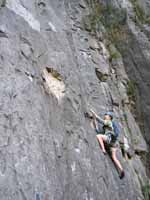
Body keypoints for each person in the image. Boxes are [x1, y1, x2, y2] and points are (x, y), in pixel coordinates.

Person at [90, 109, 125, 179]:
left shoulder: (109, 122)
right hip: (114, 144)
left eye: (106, 115)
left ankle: (103, 150)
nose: (105, 115)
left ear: (109, 117)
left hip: (109, 139)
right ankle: (121, 170)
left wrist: (94, 114)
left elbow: (100, 121)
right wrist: (94, 119)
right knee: (114, 157)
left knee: (98, 136)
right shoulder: (108, 126)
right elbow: (98, 130)